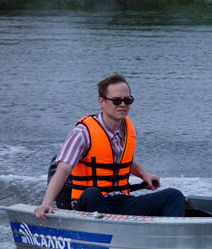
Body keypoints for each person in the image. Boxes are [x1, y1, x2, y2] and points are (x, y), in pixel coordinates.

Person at [34, 74, 186, 219]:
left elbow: (119, 161)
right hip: (88, 205)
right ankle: (111, 234)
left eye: (127, 100)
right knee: (91, 194)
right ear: (102, 101)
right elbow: (63, 169)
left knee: (173, 196)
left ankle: (172, 241)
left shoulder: (127, 130)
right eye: (116, 101)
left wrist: (143, 174)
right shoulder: (82, 133)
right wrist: (46, 204)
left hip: (120, 201)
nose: (123, 105)